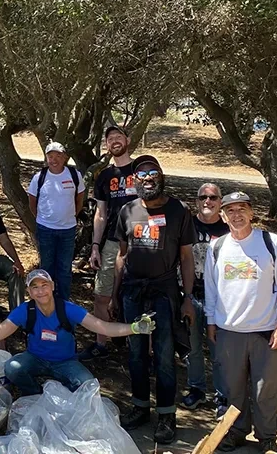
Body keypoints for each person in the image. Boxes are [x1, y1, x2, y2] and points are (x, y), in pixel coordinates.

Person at [0, 269, 155, 395]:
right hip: (35, 358)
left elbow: (103, 327)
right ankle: (36, 395)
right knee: (13, 368)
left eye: (44, 285)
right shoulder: (25, 311)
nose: (40, 290)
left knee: (88, 386)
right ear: (29, 292)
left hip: (66, 361)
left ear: (52, 286)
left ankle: (63, 396)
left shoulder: (67, 309)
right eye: (35, 287)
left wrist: (134, 328)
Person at [204, 192, 277, 453]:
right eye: (230, 210)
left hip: (265, 331)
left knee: (265, 390)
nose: (237, 215)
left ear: (252, 212)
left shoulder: (272, 243)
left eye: (242, 209)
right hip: (228, 331)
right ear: (223, 216)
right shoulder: (217, 247)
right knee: (232, 388)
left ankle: (267, 437)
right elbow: (211, 288)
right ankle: (236, 432)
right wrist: (211, 321)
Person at [113, 154, 196, 444]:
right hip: (133, 292)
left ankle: (166, 415)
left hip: (164, 292)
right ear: (134, 181)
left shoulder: (179, 211)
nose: (147, 178)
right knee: (135, 352)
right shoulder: (126, 210)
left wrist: (187, 298)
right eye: (141, 174)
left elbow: (186, 257)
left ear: (161, 176)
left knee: (163, 355)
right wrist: (115, 295)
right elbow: (122, 256)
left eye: (153, 172)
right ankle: (139, 408)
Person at [81, 126, 139, 361]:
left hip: (142, 242)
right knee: (101, 295)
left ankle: (140, 349)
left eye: (118, 137)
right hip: (112, 243)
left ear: (128, 139)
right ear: (106, 145)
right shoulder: (104, 176)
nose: (114, 141)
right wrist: (95, 245)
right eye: (110, 139)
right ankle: (101, 344)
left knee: (139, 295)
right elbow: (101, 213)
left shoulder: (142, 169)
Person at [182, 183, 230, 413]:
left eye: (213, 197)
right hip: (190, 295)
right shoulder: (186, 225)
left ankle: (223, 396)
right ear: (197, 201)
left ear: (220, 202)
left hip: (219, 299)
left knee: (219, 349)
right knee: (192, 347)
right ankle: (196, 389)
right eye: (202, 197)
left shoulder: (229, 230)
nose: (207, 201)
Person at [27, 141, 85, 301]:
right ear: (46, 158)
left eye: (58, 156)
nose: (54, 159)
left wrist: (72, 215)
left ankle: (63, 302)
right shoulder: (39, 177)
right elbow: (32, 201)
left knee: (65, 269)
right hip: (46, 229)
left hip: (68, 229)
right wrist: (42, 218)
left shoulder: (74, 175)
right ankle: (46, 301)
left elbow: (80, 198)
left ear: (65, 157)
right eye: (50, 156)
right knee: (47, 268)